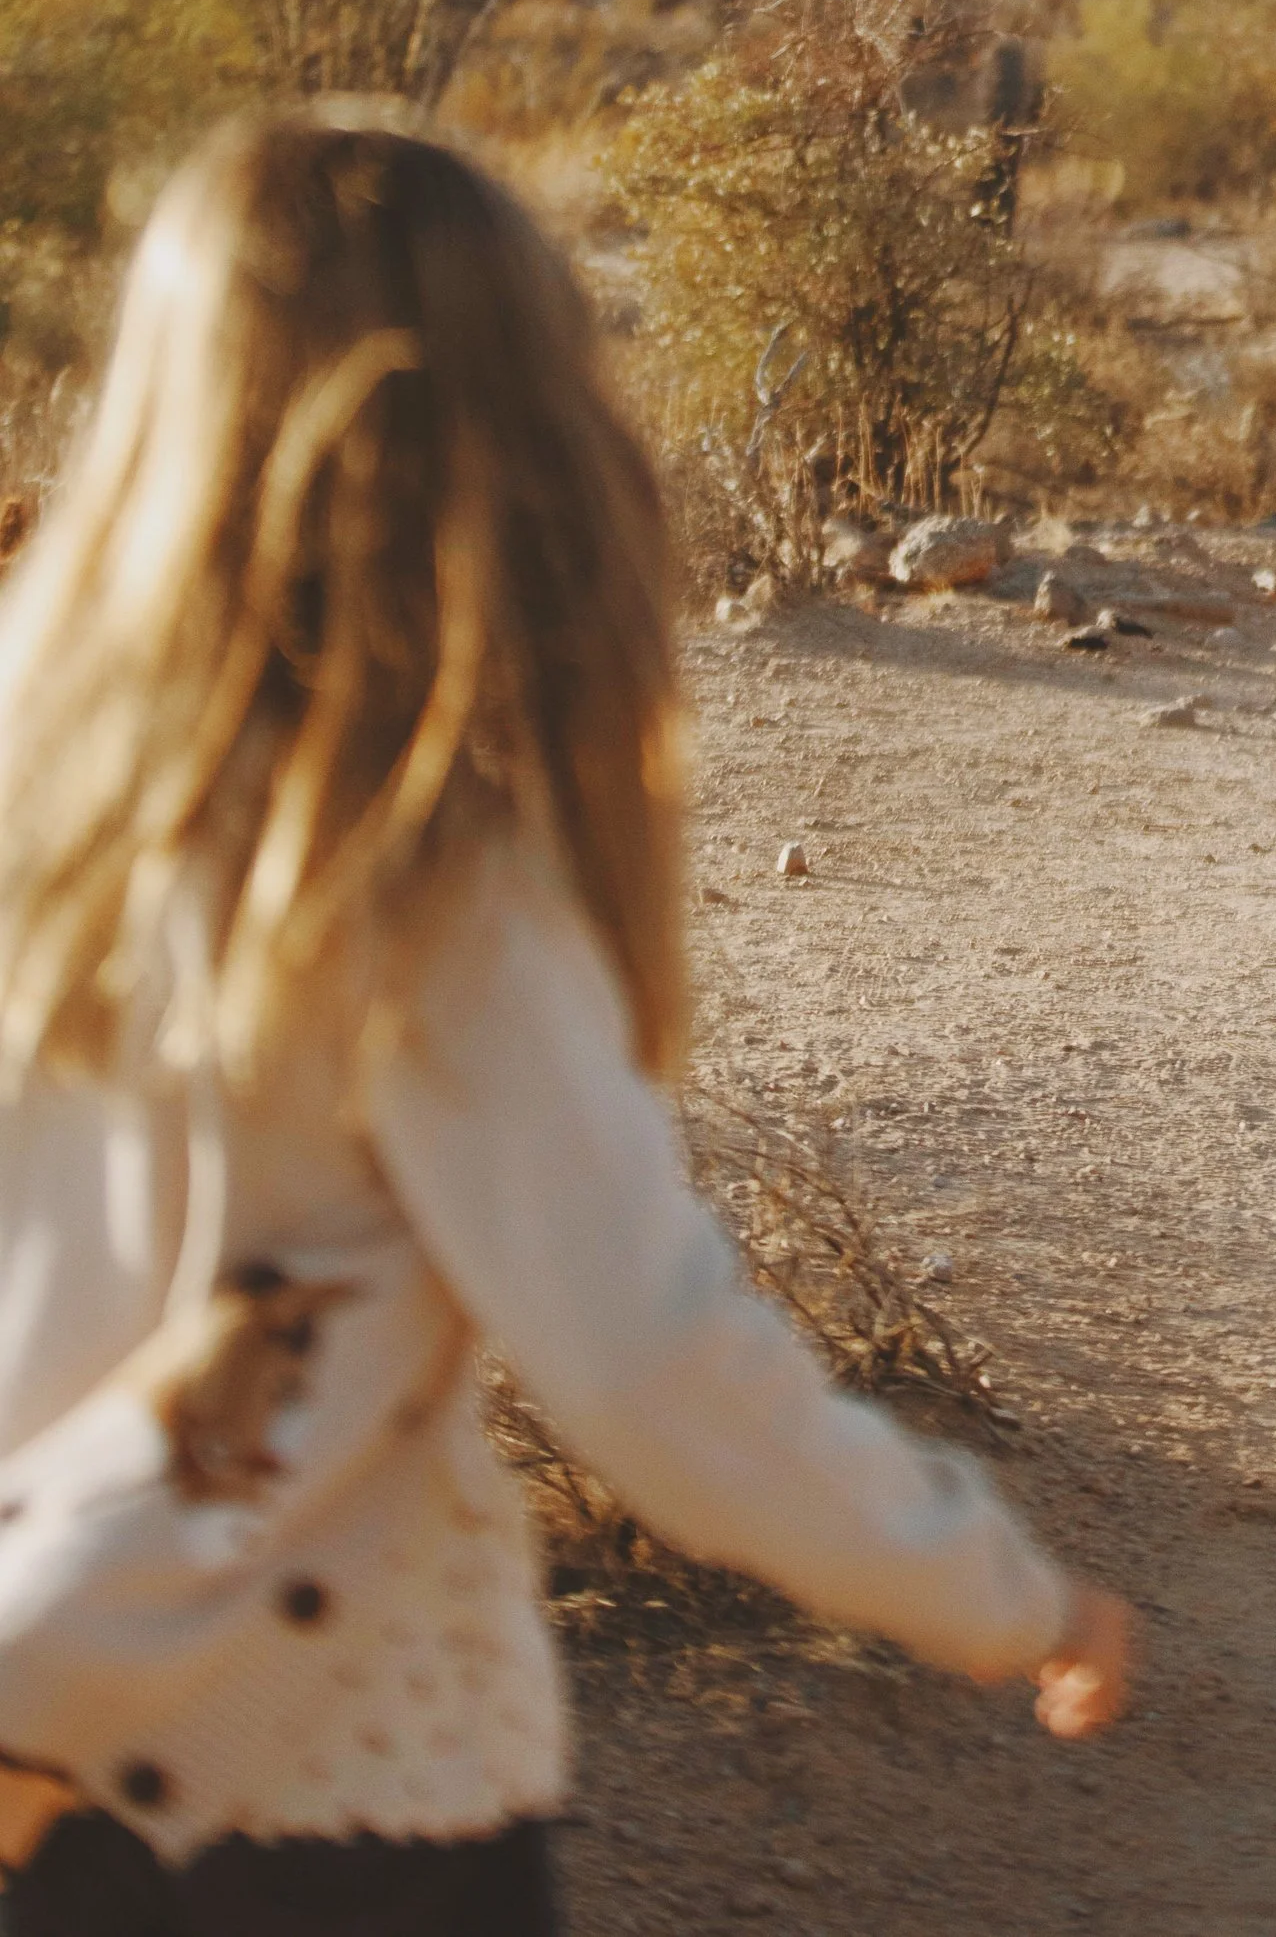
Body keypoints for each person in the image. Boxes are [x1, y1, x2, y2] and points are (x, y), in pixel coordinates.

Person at [0, 114, 1129, 1937]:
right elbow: (650, 1365)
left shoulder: (43, 809)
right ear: (517, 457)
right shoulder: (414, 880)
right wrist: (997, 1591)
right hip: (334, 1794)